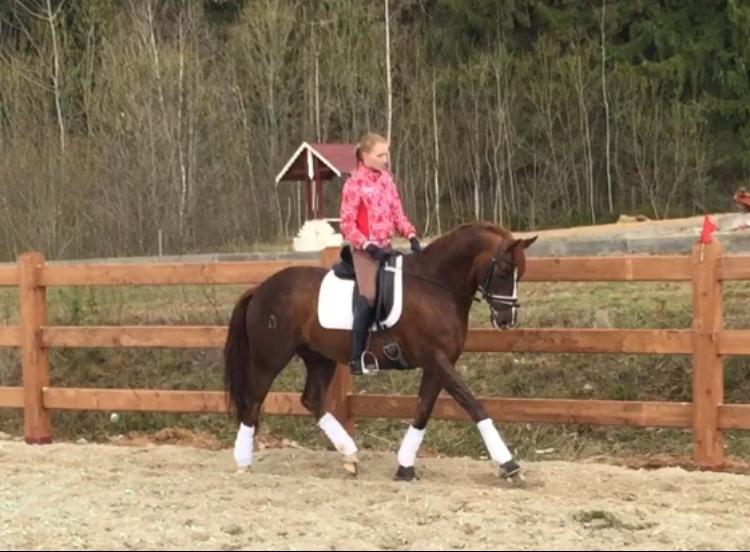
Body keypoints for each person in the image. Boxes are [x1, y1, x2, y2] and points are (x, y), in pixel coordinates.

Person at [339, 132, 422, 375]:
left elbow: (397, 214)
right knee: (369, 296)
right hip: (365, 252)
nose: (386, 159)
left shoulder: (387, 180)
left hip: (386, 248)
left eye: (387, 154)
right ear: (365, 156)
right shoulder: (354, 184)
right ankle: (357, 357)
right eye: (380, 154)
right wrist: (366, 245)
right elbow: (347, 224)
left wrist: (411, 235)